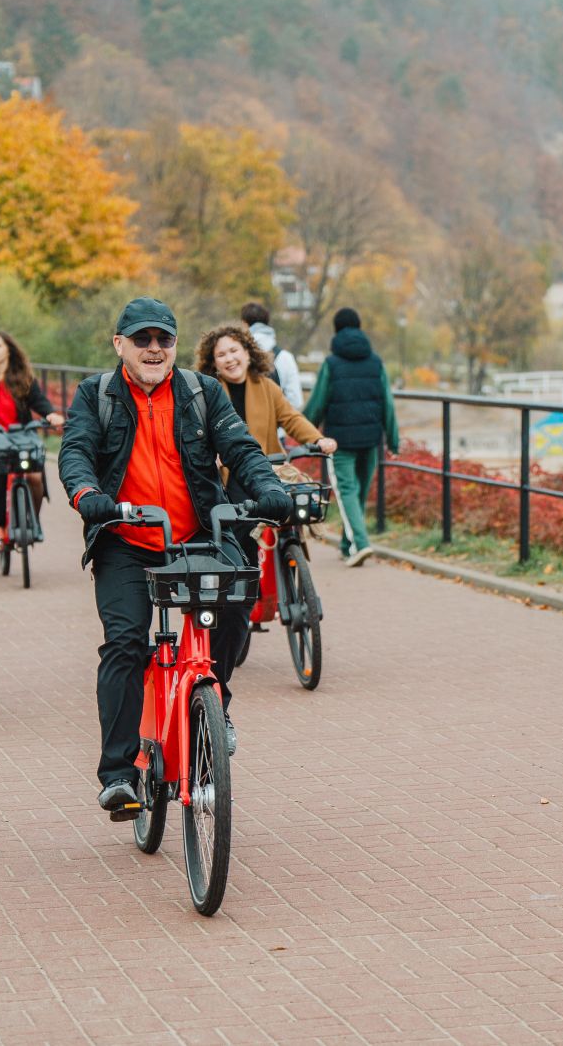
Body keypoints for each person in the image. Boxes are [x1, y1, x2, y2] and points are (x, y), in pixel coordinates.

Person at [59, 297, 293, 818]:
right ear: (119, 344)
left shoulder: (201, 392)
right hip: (125, 538)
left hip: (196, 534)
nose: (153, 348)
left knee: (236, 606)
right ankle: (118, 775)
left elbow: (241, 450)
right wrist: (87, 496)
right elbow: (76, 451)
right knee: (124, 642)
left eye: (163, 339)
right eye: (142, 339)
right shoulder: (96, 395)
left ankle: (217, 704)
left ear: (175, 346)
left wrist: (269, 488)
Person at [194, 321, 336, 708]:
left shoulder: (267, 387)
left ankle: (293, 576)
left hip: (267, 473)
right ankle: (239, 609)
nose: (229, 359)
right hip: (228, 480)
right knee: (237, 550)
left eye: (235, 350)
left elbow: (291, 419)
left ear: (247, 351)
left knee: (291, 514)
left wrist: (316, 440)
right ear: (213, 362)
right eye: (221, 354)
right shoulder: (206, 393)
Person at [304, 307, 400, 567]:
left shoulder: (331, 364)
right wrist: (393, 439)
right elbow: (388, 404)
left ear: (336, 330)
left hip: (340, 441)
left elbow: (318, 401)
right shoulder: (376, 362)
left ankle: (360, 544)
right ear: (360, 327)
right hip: (371, 439)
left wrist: (303, 429)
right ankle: (348, 545)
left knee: (347, 492)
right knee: (358, 493)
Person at [0, 330, 65, 549]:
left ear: (8, 350)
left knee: (35, 477)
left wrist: (50, 415)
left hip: (22, 438)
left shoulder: (23, 377)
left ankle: (32, 521)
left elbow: (39, 401)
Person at [240, 301, 303, 409]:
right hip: (278, 423)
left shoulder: (238, 355)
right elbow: (296, 401)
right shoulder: (286, 357)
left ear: (245, 324)